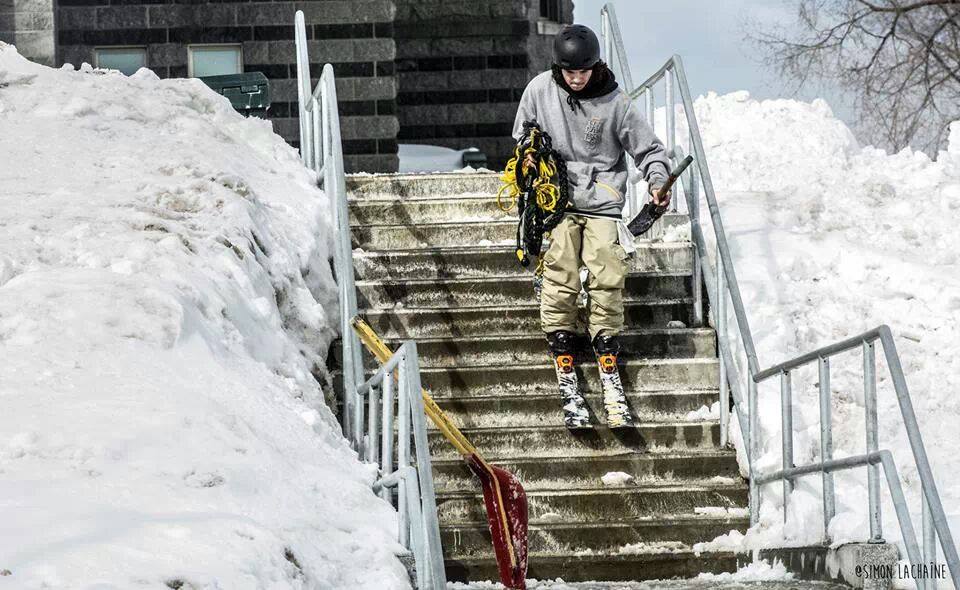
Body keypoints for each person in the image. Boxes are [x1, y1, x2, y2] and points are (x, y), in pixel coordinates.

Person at [511, 23, 672, 429]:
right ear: (558, 68)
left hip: (602, 203)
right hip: (557, 201)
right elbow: (522, 136)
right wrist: (529, 157)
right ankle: (565, 365)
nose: (576, 79)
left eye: (583, 71)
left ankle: (607, 362)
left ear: (594, 66)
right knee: (561, 274)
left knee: (607, 271)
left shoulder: (616, 102)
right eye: (569, 73)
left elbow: (649, 150)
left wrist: (657, 182)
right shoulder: (539, 91)